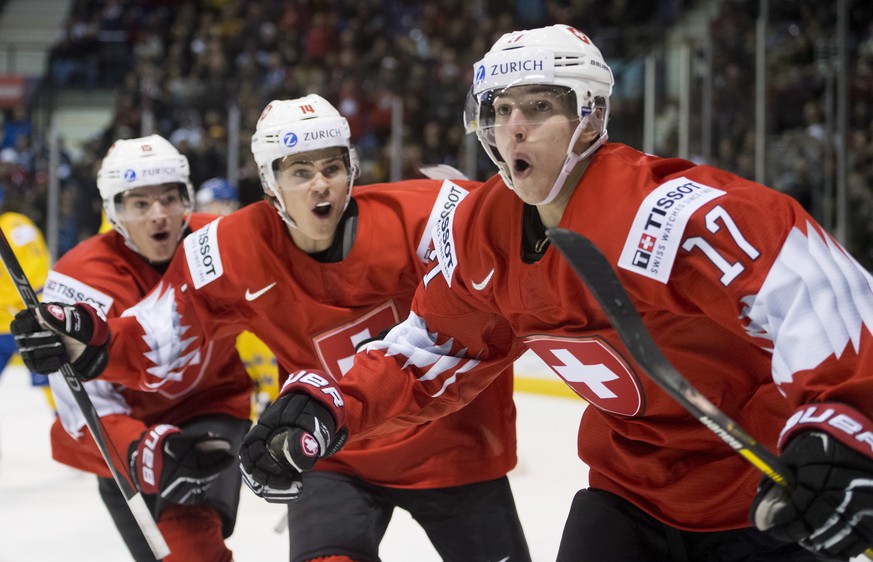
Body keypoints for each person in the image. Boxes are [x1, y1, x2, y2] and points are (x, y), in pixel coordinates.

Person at [239, 25, 873, 562]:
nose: (514, 130)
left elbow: (816, 291)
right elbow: (435, 348)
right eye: (501, 111)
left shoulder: (669, 214)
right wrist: (329, 405)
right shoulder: (479, 231)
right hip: (628, 494)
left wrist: (844, 426)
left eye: (539, 108)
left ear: (590, 116)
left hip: (763, 491)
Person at [21, 96, 529, 562]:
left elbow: (494, 304)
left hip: (453, 451)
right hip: (330, 452)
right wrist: (92, 342)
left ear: (351, 169)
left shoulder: (430, 215)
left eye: (331, 167)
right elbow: (161, 337)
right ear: (269, 183)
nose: (320, 184)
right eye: (300, 171)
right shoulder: (227, 249)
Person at [11, 134, 252, 562]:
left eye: (169, 199)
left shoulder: (218, 243)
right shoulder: (79, 278)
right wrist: (138, 450)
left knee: (189, 549)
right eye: (140, 204)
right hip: (124, 432)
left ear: (188, 199)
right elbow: (78, 402)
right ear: (114, 212)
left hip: (208, 408)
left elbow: (284, 303)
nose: (159, 215)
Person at [194, 176, 278, 419]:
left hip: (255, 316)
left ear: (226, 204)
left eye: (208, 204)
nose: (202, 211)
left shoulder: (243, 234)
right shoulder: (201, 241)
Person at [0, 201, 55, 413]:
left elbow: (31, 276)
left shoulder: (13, 226)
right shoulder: (19, 223)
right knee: (55, 384)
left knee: (55, 384)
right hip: (28, 315)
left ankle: (73, 435)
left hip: (27, 317)